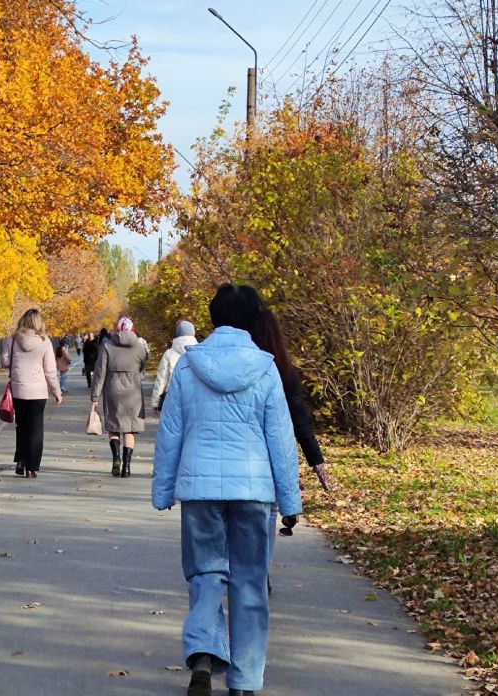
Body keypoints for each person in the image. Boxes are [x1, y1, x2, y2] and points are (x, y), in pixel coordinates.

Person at [152, 284, 301, 696]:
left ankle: (203, 652)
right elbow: (281, 439)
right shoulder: (266, 368)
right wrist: (290, 499)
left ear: (213, 319)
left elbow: (171, 433)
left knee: (205, 573)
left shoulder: (188, 366)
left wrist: (163, 490)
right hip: (254, 490)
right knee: (250, 582)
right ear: (253, 321)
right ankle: (245, 682)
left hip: (200, 490)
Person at [250, 308, 329, 491]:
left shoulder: (242, 369)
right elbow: (299, 416)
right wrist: (316, 459)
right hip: (274, 455)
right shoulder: (284, 371)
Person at [7, 309, 63, 478]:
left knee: (21, 426)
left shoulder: (12, 339)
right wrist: (57, 391)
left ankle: (21, 460)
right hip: (38, 392)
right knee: (36, 428)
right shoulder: (45, 342)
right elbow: (50, 371)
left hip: (19, 390)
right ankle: (31, 467)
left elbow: (4, 360)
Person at [92, 317, 149, 478]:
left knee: (114, 427)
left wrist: (95, 396)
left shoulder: (107, 346)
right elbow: (142, 368)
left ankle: (116, 458)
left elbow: (100, 372)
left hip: (113, 390)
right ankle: (127, 467)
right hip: (133, 393)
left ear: (117, 329)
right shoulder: (139, 347)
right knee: (129, 430)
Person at [153, 320, 198, 413]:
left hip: (172, 397)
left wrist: (156, 402)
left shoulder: (169, 353)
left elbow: (161, 379)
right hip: (195, 397)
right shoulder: (200, 352)